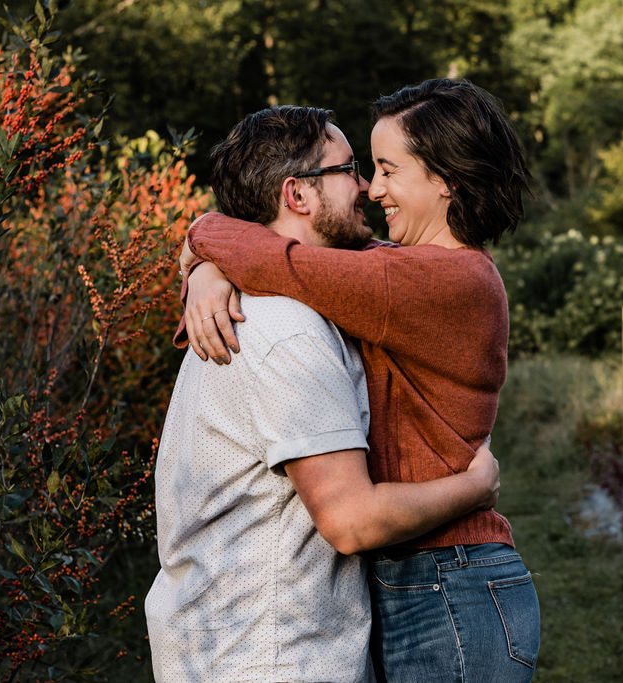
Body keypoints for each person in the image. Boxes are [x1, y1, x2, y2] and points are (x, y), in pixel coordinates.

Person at [180, 78, 541, 682]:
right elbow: (279, 259)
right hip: (421, 582)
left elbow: (276, 260)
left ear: (445, 179)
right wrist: (209, 269)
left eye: (387, 170)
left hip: (451, 586)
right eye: (365, 170)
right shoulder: (393, 268)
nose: (373, 191)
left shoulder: (439, 281)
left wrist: (203, 245)